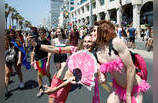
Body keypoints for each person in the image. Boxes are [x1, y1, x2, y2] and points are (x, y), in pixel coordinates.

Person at [91, 20, 150, 103]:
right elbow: (102, 70)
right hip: (118, 88)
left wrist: (128, 94)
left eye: (94, 31)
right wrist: (102, 77)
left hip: (134, 87)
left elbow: (131, 68)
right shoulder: (97, 52)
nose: (91, 33)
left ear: (103, 31)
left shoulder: (116, 43)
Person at [30, 29, 52, 97]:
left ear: (45, 34)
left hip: (44, 60)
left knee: (46, 73)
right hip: (37, 60)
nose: (41, 34)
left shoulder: (47, 42)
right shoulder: (36, 41)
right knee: (39, 74)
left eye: (43, 33)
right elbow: (33, 51)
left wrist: (48, 61)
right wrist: (32, 60)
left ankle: (51, 83)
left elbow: (49, 52)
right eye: (40, 33)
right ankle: (40, 89)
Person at [4, 30, 24, 96]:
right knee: (7, 73)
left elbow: (20, 50)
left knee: (18, 71)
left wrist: (19, 60)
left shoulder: (17, 41)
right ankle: (6, 89)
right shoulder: (6, 41)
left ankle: (21, 82)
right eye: (10, 33)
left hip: (15, 58)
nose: (11, 34)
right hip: (8, 59)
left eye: (12, 33)